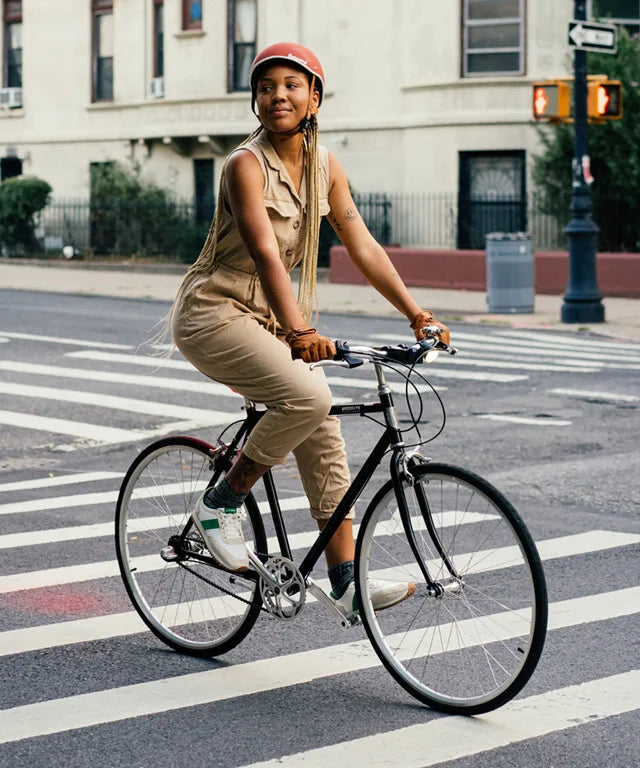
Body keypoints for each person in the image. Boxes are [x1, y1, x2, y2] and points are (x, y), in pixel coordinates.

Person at [170, 42, 450, 617]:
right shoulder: (244, 166)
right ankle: (220, 506)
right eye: (267, 86)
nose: (279, 95)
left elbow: (363, 244)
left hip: (269, 317)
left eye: (293, 85)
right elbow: (267, 254)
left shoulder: (325, 166)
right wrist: (300, 331)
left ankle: (345, 580)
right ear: (255, 101)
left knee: (321, 422)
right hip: (214, 312)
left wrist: (415, 313)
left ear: (315, 98)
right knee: (307, 394)